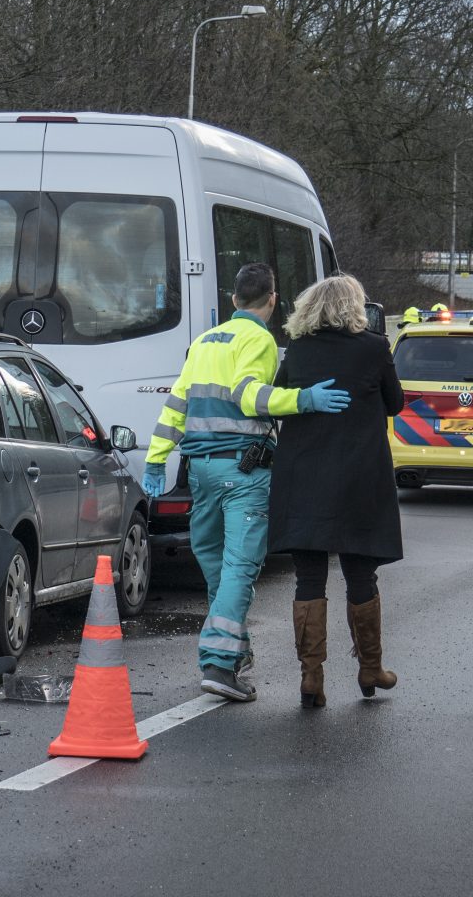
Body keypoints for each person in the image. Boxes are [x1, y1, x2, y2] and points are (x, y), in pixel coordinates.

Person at [140, 262, 352, 702]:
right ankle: (218, 662)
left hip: (200, 471)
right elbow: (250, 396)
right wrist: (303, 399)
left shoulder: (203, 341)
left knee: (214, 559)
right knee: (239, 566)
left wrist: (156, 460)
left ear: (233, 299)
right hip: (243, 470)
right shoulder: (259, 340)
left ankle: (231, 652)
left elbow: (177, 403)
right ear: (272, 300)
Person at [266, 275, 407, 709]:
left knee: (309, 578)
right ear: (354, 308)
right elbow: (395, 402)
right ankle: (370, 668)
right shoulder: (373, 347)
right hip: (358, 479)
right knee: (361, 574)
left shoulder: (299, 350)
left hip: (304, 478)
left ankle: (311, 677)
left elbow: (282, 396)